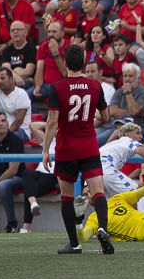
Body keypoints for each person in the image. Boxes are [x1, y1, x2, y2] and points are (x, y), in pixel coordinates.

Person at [41, 43, 114, 254]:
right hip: (89, 146)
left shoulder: (57, 87)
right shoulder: (95, 86)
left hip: (66, 149)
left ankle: (74, 244)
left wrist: (46, 149)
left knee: (66, 197)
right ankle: (103, 228)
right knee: (98, 191)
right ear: (83, 63)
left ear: (65, 62)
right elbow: (106, 117)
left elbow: (52, 120)